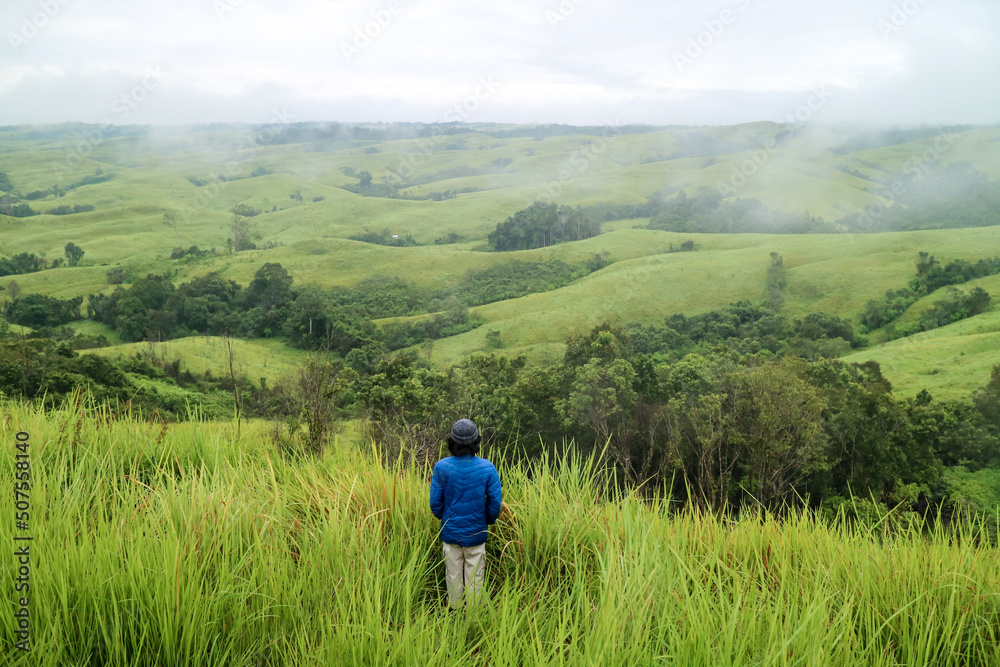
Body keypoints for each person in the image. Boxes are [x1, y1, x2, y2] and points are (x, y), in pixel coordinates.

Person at [429, 418, 502, 610]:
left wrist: (444, 519)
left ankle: (454, 611)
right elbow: (495, 503)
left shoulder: (442, 466)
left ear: (452, 441)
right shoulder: (488, 467)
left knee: (452, 573)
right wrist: (486, 520)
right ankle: (473, 613)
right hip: (477, 533)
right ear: (475, 441)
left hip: (450, 531)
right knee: (475, 574)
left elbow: (435, 503)